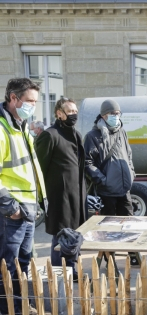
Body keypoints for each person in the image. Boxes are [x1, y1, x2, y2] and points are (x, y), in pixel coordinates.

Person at [0, 77, 49, 315]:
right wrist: (11, 207)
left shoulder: (20, 125)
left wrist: (37, 201)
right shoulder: (2, 128)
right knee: (7, 265)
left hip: (27, 208)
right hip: (12, 211)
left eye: (35, 102)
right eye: (29, 101)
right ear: (13, 99)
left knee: (23, 262)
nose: (33, 106)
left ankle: (22, 306)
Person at [84, 99, 147, 268]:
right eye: (112, 114)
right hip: (106, 190)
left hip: (124, 189)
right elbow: (87, 162)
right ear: (103, 115)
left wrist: (131, 173)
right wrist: (103, 180)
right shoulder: (93, 136)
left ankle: (133, 256)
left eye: (118, 113)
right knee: (109, 228)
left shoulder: (121, 131)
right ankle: (110, 260)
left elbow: (128, 154)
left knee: (129, 224)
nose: (116, 116)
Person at [35, 97, 86, 280]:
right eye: (69, 111)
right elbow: (39, 169)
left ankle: (73, 271)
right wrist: (41, 199)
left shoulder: (76, 134)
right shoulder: (50, 135)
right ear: (59, 113)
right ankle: (59, 276)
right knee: (61, 237)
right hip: (59, 197)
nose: (73, 114)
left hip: (77, 196)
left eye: (75, 111)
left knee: (75, 235)